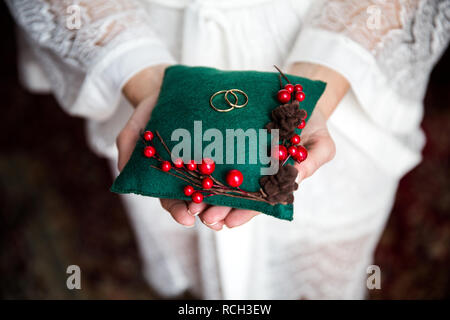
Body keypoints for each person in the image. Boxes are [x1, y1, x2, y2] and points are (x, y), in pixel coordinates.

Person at [7, 0, 449, 299]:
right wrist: (134, 69)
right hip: (145, 30)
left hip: (330, 37)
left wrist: (326, 70)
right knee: (186, 235)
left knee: (322, 235)